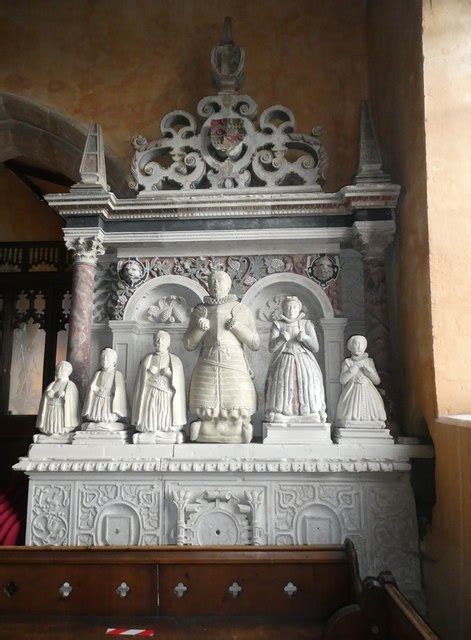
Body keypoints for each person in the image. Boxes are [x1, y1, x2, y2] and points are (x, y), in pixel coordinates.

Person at [183, 270, 260, 443]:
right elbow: (188, 344)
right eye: (212, 281)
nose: (215, 284)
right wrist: (199, 329)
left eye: (219, 280)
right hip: (207, 361)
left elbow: (255, 343)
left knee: (236, 404)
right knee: (207, 404)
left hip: (234, 362)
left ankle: (237, 426)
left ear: (229, 284)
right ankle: (207, 427)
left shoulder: (240, 309)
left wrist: (237, 327)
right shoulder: (201, 310)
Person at [265, 296, 326, 423]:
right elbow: (271, 347)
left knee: (306, 383)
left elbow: (315, 347)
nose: (291, 310)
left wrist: (305, 338)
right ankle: (281, 412)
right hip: (285, 359)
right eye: (288, 307)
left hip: (304, 360)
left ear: (299, 309)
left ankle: (309, 412)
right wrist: (281, 338)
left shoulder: (306, 324)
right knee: (284, 384)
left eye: (294, 307)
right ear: (283, 309)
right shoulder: (278, 324)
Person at [132, 330, 186, 442]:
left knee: (164, 413)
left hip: (167, 395)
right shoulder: (147, 359)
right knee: (151, 412)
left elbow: (179, 385)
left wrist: (170, 375)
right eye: (157, 339)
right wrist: (147, 372)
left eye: (162, 340)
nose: (159, 342)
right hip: (151, 393)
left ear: (168, 342)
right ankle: (150, 429)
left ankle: (167, 430)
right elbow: (140, 382)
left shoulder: (175, 360)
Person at [335, 335, 387, 425]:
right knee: (350, 413)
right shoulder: (348, 362)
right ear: (351, 347)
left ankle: (373, 422)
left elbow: (377, 381)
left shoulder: (369, 361)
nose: (359, 347)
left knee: (374, 413)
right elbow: (342, 380)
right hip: (352, 391)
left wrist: (370, 372)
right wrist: (351, 372)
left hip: (368, 391)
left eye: (362, 344)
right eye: (356, 344)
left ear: (365, 346)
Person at [82, 348, 128, 427]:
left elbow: (119, 391)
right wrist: (95, 389)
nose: (104, 360)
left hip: (109, 401)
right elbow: (92, 387)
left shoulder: (117, 374)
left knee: (108, 416)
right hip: (98, 400)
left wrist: (110, 391)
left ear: (114, 360)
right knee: (96, 416)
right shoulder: (97, 374)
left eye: (108, 357)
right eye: (103, 357)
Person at [36, 361, 80, 437]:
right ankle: (51, 431)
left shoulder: (70, 385)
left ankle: (61, 431)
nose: (59, 371)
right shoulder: (52, 384)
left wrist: (64, 395)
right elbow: (45, 398)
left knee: (59, 424)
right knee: (51, 424)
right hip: (50, 409)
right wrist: (48, 394)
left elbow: (73, 400)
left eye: (62, 369)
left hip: (61, 410)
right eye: (58, 369)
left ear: (68, 372)